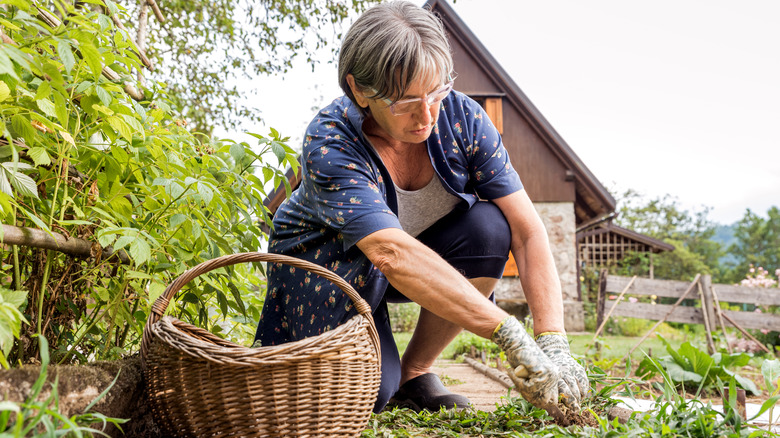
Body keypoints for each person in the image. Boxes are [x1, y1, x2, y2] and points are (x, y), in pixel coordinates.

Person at [254, 0, 589, 414]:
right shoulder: (330, 140)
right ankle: (379, 372)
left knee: (489, 228)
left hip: (411, 263)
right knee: (366, 394)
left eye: (435, 92)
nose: (427, 114)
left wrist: (552, 340)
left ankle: (415, 373)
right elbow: (390, 252)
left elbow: (528, 230)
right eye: (405, 101)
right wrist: (507, 333)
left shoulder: (463, 119)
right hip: (331, 267)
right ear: (359, 89)